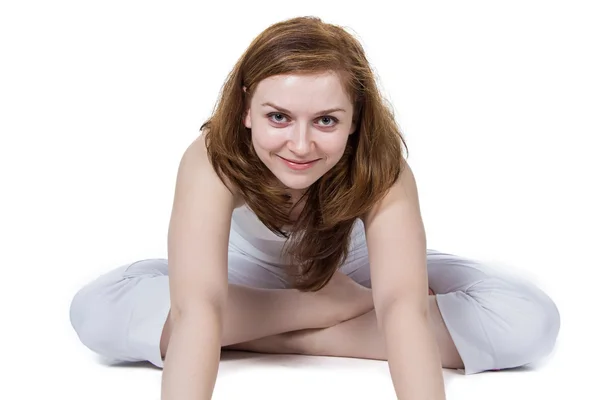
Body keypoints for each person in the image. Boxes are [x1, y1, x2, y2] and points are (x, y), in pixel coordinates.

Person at [69, 16, 560, 400]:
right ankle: (318, 308)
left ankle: (276, 331)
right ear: (245, 109)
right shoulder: (211, 159)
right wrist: (324, 306)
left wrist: (375, 301)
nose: (299, 145)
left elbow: (403, 309)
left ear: (354, 120)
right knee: (96, 310)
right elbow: (196, 309)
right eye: (278, 117)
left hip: (358, 273)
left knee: (529, 319)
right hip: (240, 275)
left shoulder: (382, 166)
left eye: (325, 120)